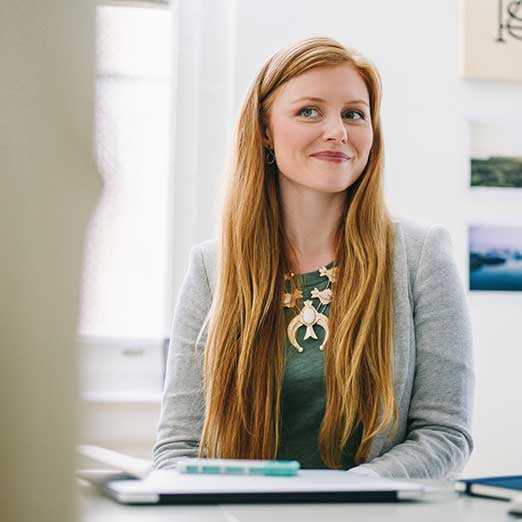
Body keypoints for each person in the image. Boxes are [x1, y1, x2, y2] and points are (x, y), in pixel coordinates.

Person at [153, 36, 474, 479]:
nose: (338, 131)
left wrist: (350, 493)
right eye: (309, 111)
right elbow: (177, 449)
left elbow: (444, 434)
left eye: (354, 114)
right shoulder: (212, 268)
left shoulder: (421, 256)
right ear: (265, 130)